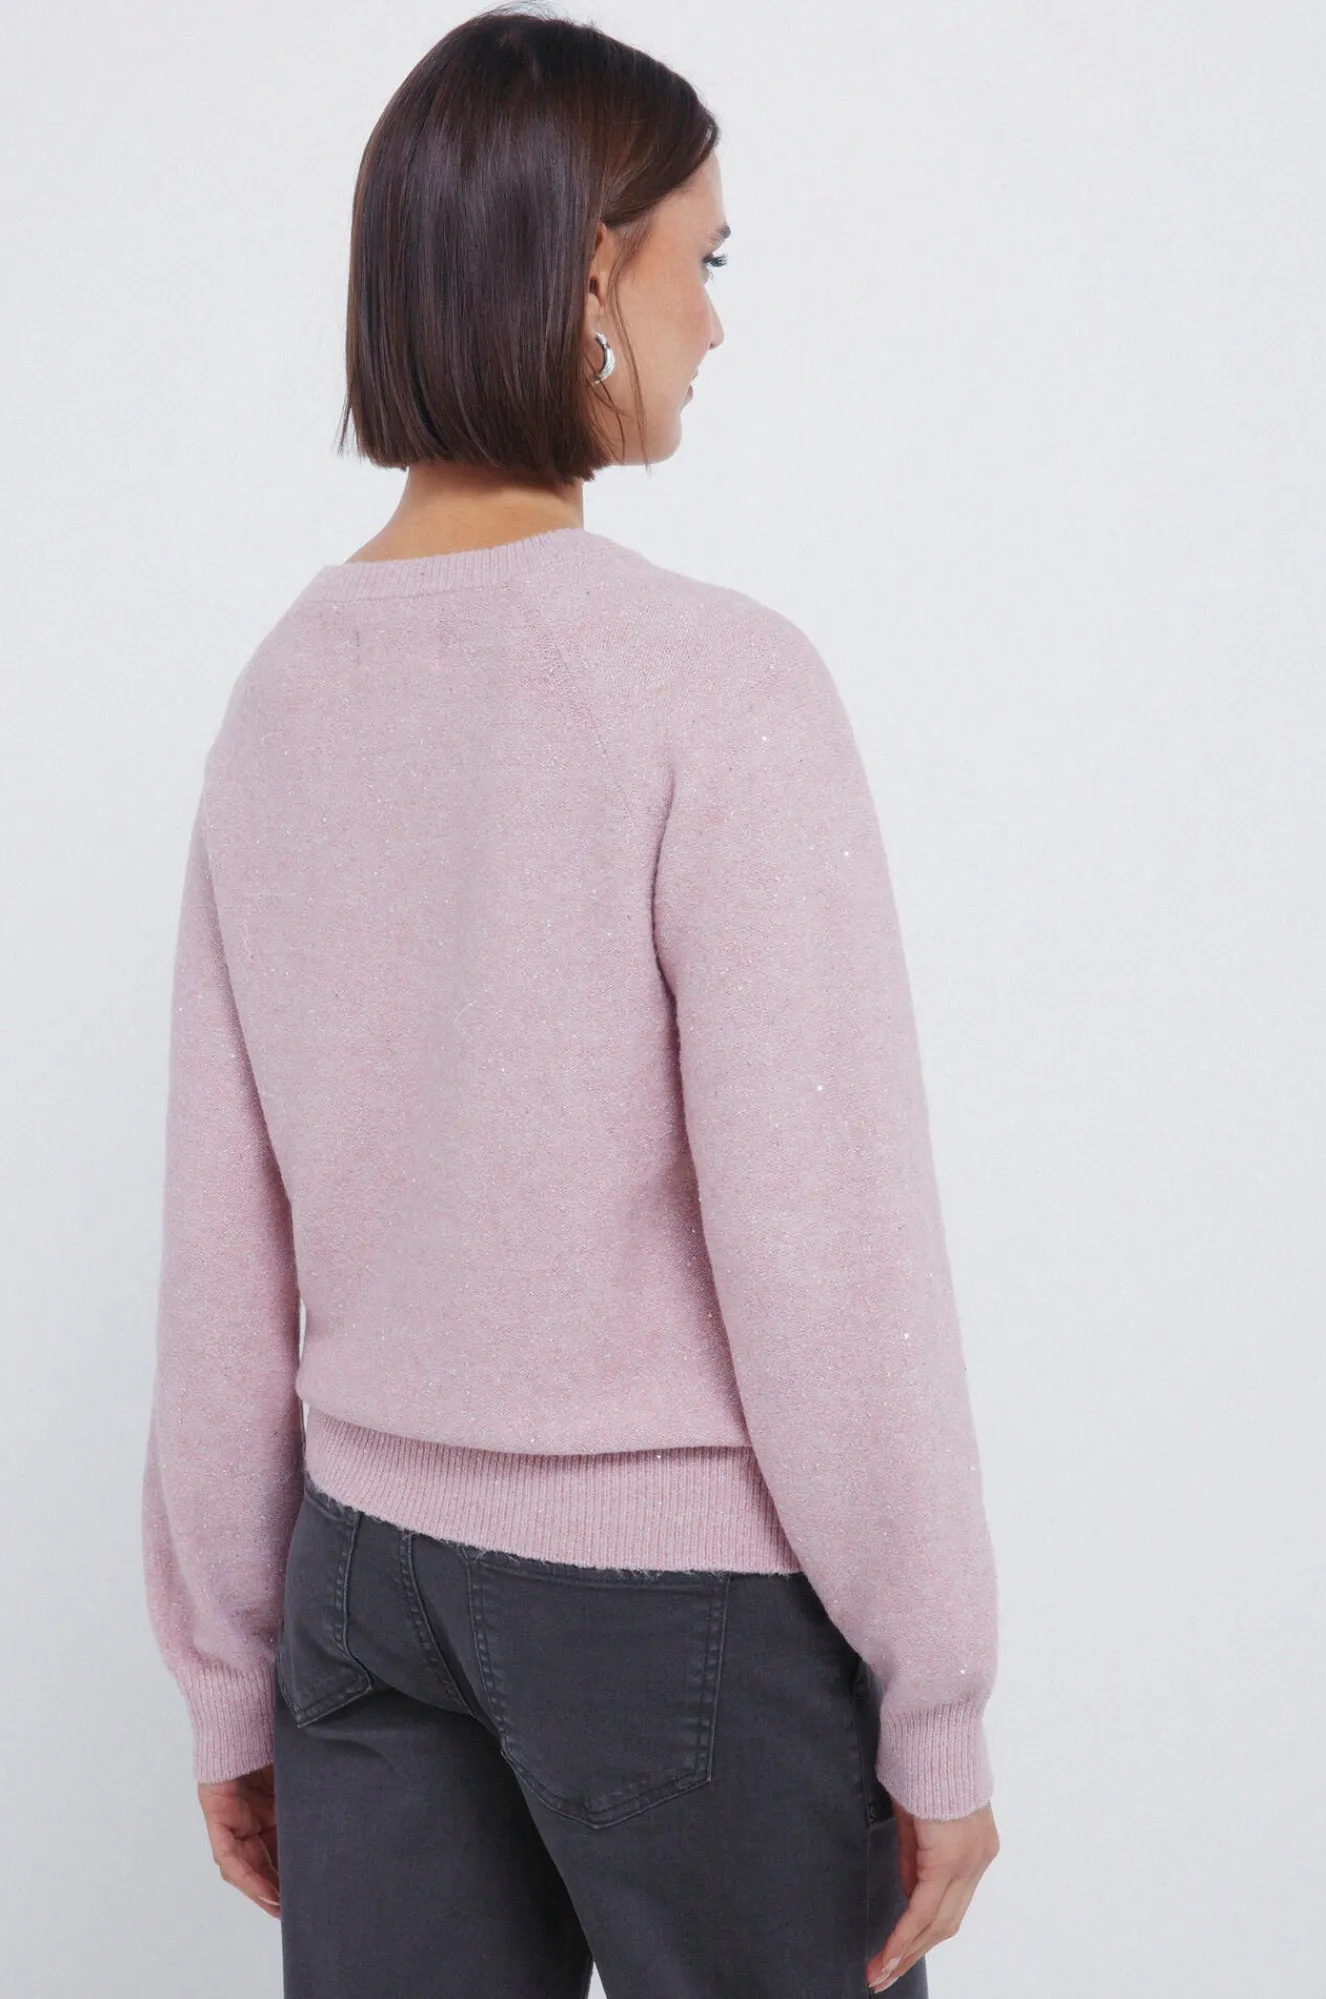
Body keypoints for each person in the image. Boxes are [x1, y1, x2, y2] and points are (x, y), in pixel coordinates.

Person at [140, 8, 1001, 1994]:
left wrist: (230, 1674)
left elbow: (220, 1246)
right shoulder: (716, 685)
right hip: (672, 1608)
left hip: (363, 1583)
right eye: (703, 256)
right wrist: (937, 1701)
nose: (718, 320)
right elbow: (830, 1248)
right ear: (589, 274)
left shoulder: (283, 694)